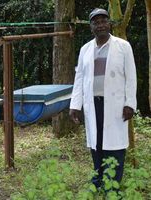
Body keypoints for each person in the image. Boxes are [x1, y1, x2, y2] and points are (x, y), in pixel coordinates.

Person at [69, 8, 137, 189]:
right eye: (96, 22)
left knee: (115, 146)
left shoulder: (123, 46)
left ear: (109, 24)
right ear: (91, 27)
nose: (100, 25)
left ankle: (112, 185)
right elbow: (80, 78)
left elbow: (131, 77)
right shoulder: (85, 49)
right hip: (93, 104)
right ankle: (97, 181)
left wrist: (130, 103)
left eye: (103, 21)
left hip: (115, 105)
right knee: (96, 144)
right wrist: (75, 105)